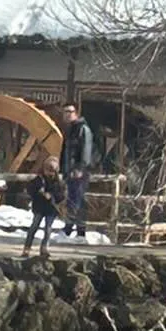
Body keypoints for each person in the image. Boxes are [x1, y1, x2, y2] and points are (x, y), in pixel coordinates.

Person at [59, 102, 94, 239]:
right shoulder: (70, 129)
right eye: (65, 112)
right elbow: (65, 153)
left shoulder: (83, 129)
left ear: (76, 113)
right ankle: (73, 229)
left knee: (77, 200)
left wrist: (80, 168)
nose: (67, 115)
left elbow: (86, 150)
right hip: (69, 171)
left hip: (79, 172)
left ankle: (77, 230)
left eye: (70, 111)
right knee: (72, 200)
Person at [22, 156, 65, 260]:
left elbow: (61, 195)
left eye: (52, 171)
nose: (50, 174)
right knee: (34, 227)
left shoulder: (58, 182)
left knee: (48, 229)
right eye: (48, 171)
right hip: (39, 207)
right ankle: (27, 248)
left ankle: (44, 248)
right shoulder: (38, 180)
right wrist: (39, 193)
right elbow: (30, 190)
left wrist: (52, 196)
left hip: (51, 208)